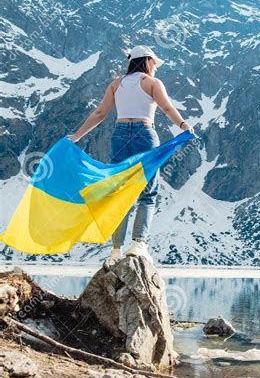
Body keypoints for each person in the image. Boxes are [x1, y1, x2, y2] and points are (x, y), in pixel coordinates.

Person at [67, 45, 194, 264]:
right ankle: (138, 245)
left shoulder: (116, 84)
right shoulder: (152, 83)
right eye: (154, 62)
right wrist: (184, 125)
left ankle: (115, 251)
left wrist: (77, 136)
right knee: (147, 193)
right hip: (145, 134)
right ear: (147, 61)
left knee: (120, 194)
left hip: (120, 136)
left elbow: (99, 114)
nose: (156, 67)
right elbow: (167, 108)